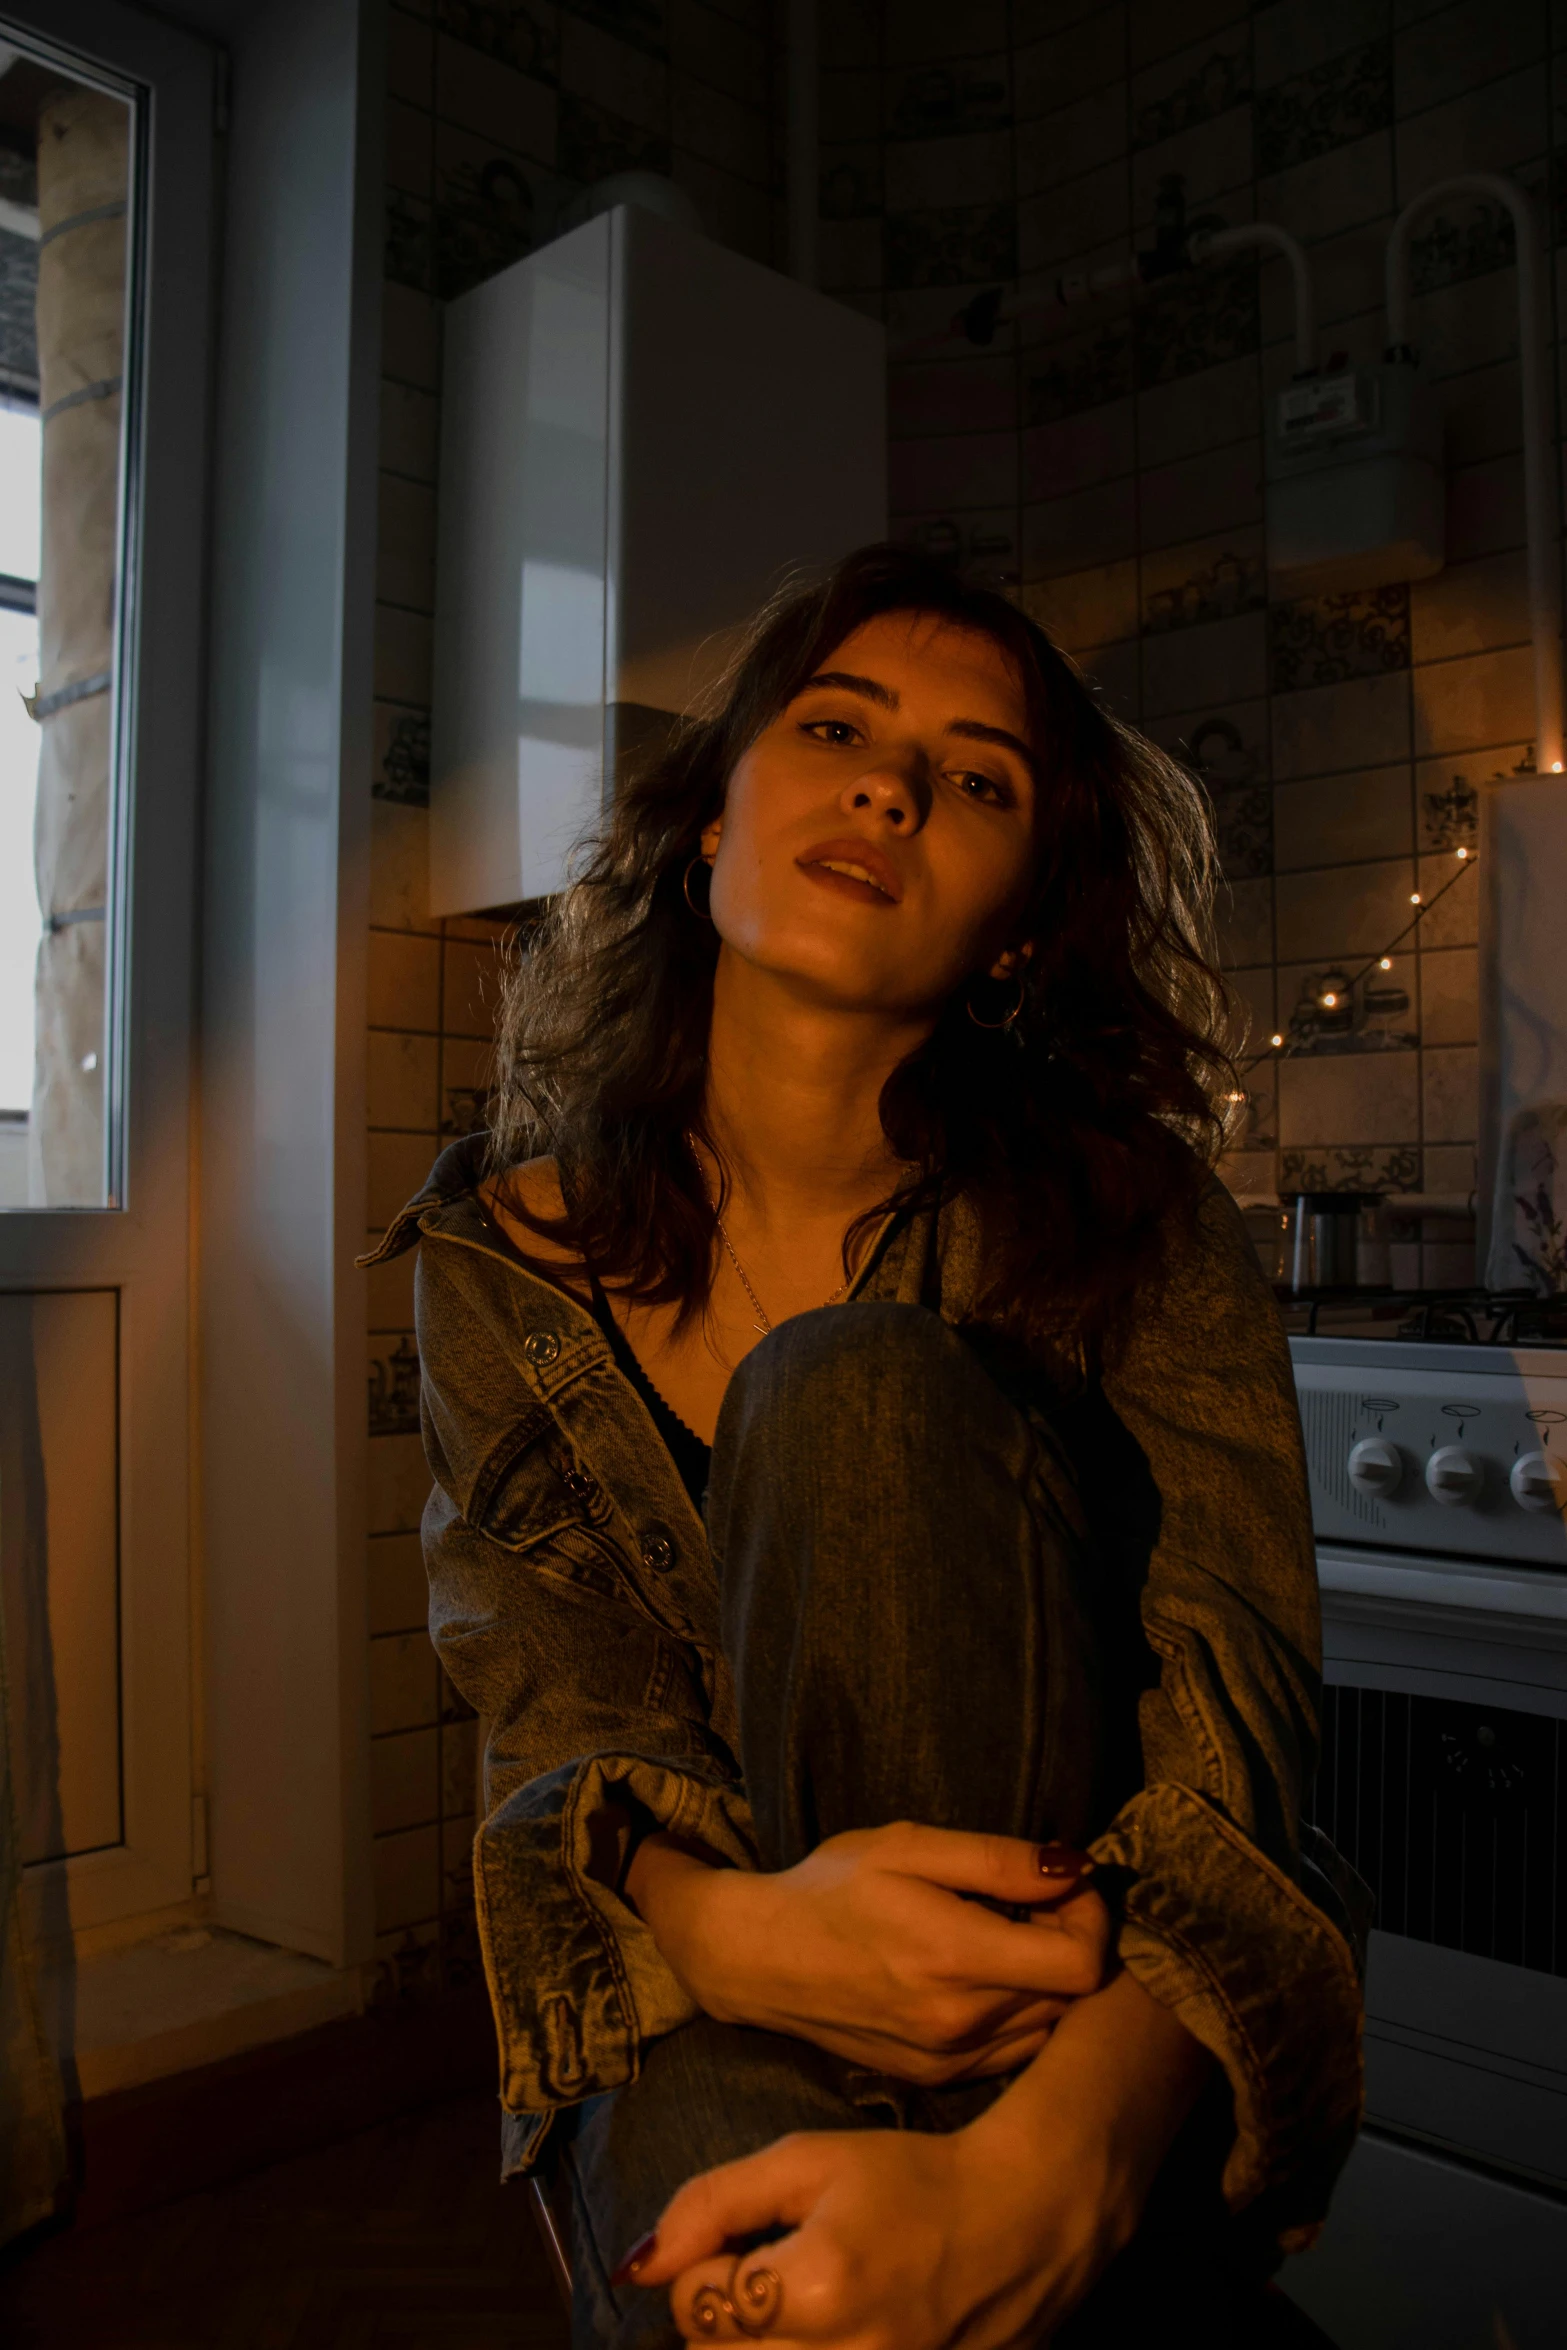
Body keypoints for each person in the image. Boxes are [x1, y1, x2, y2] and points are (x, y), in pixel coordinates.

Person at [366, 545, 1364, 2348]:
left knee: (858, 1397)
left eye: (976, 779)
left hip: (1089, 1996)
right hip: (706, 1984)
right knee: (754, 2273)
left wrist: (1055, 2164)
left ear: (1019, 927)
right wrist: (738, 1932)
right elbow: (557, 1729)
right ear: (706, 825)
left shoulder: (1133, 1225)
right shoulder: (498, 1265)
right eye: (833, 726)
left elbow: (1241, 1750)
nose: (890, 783)